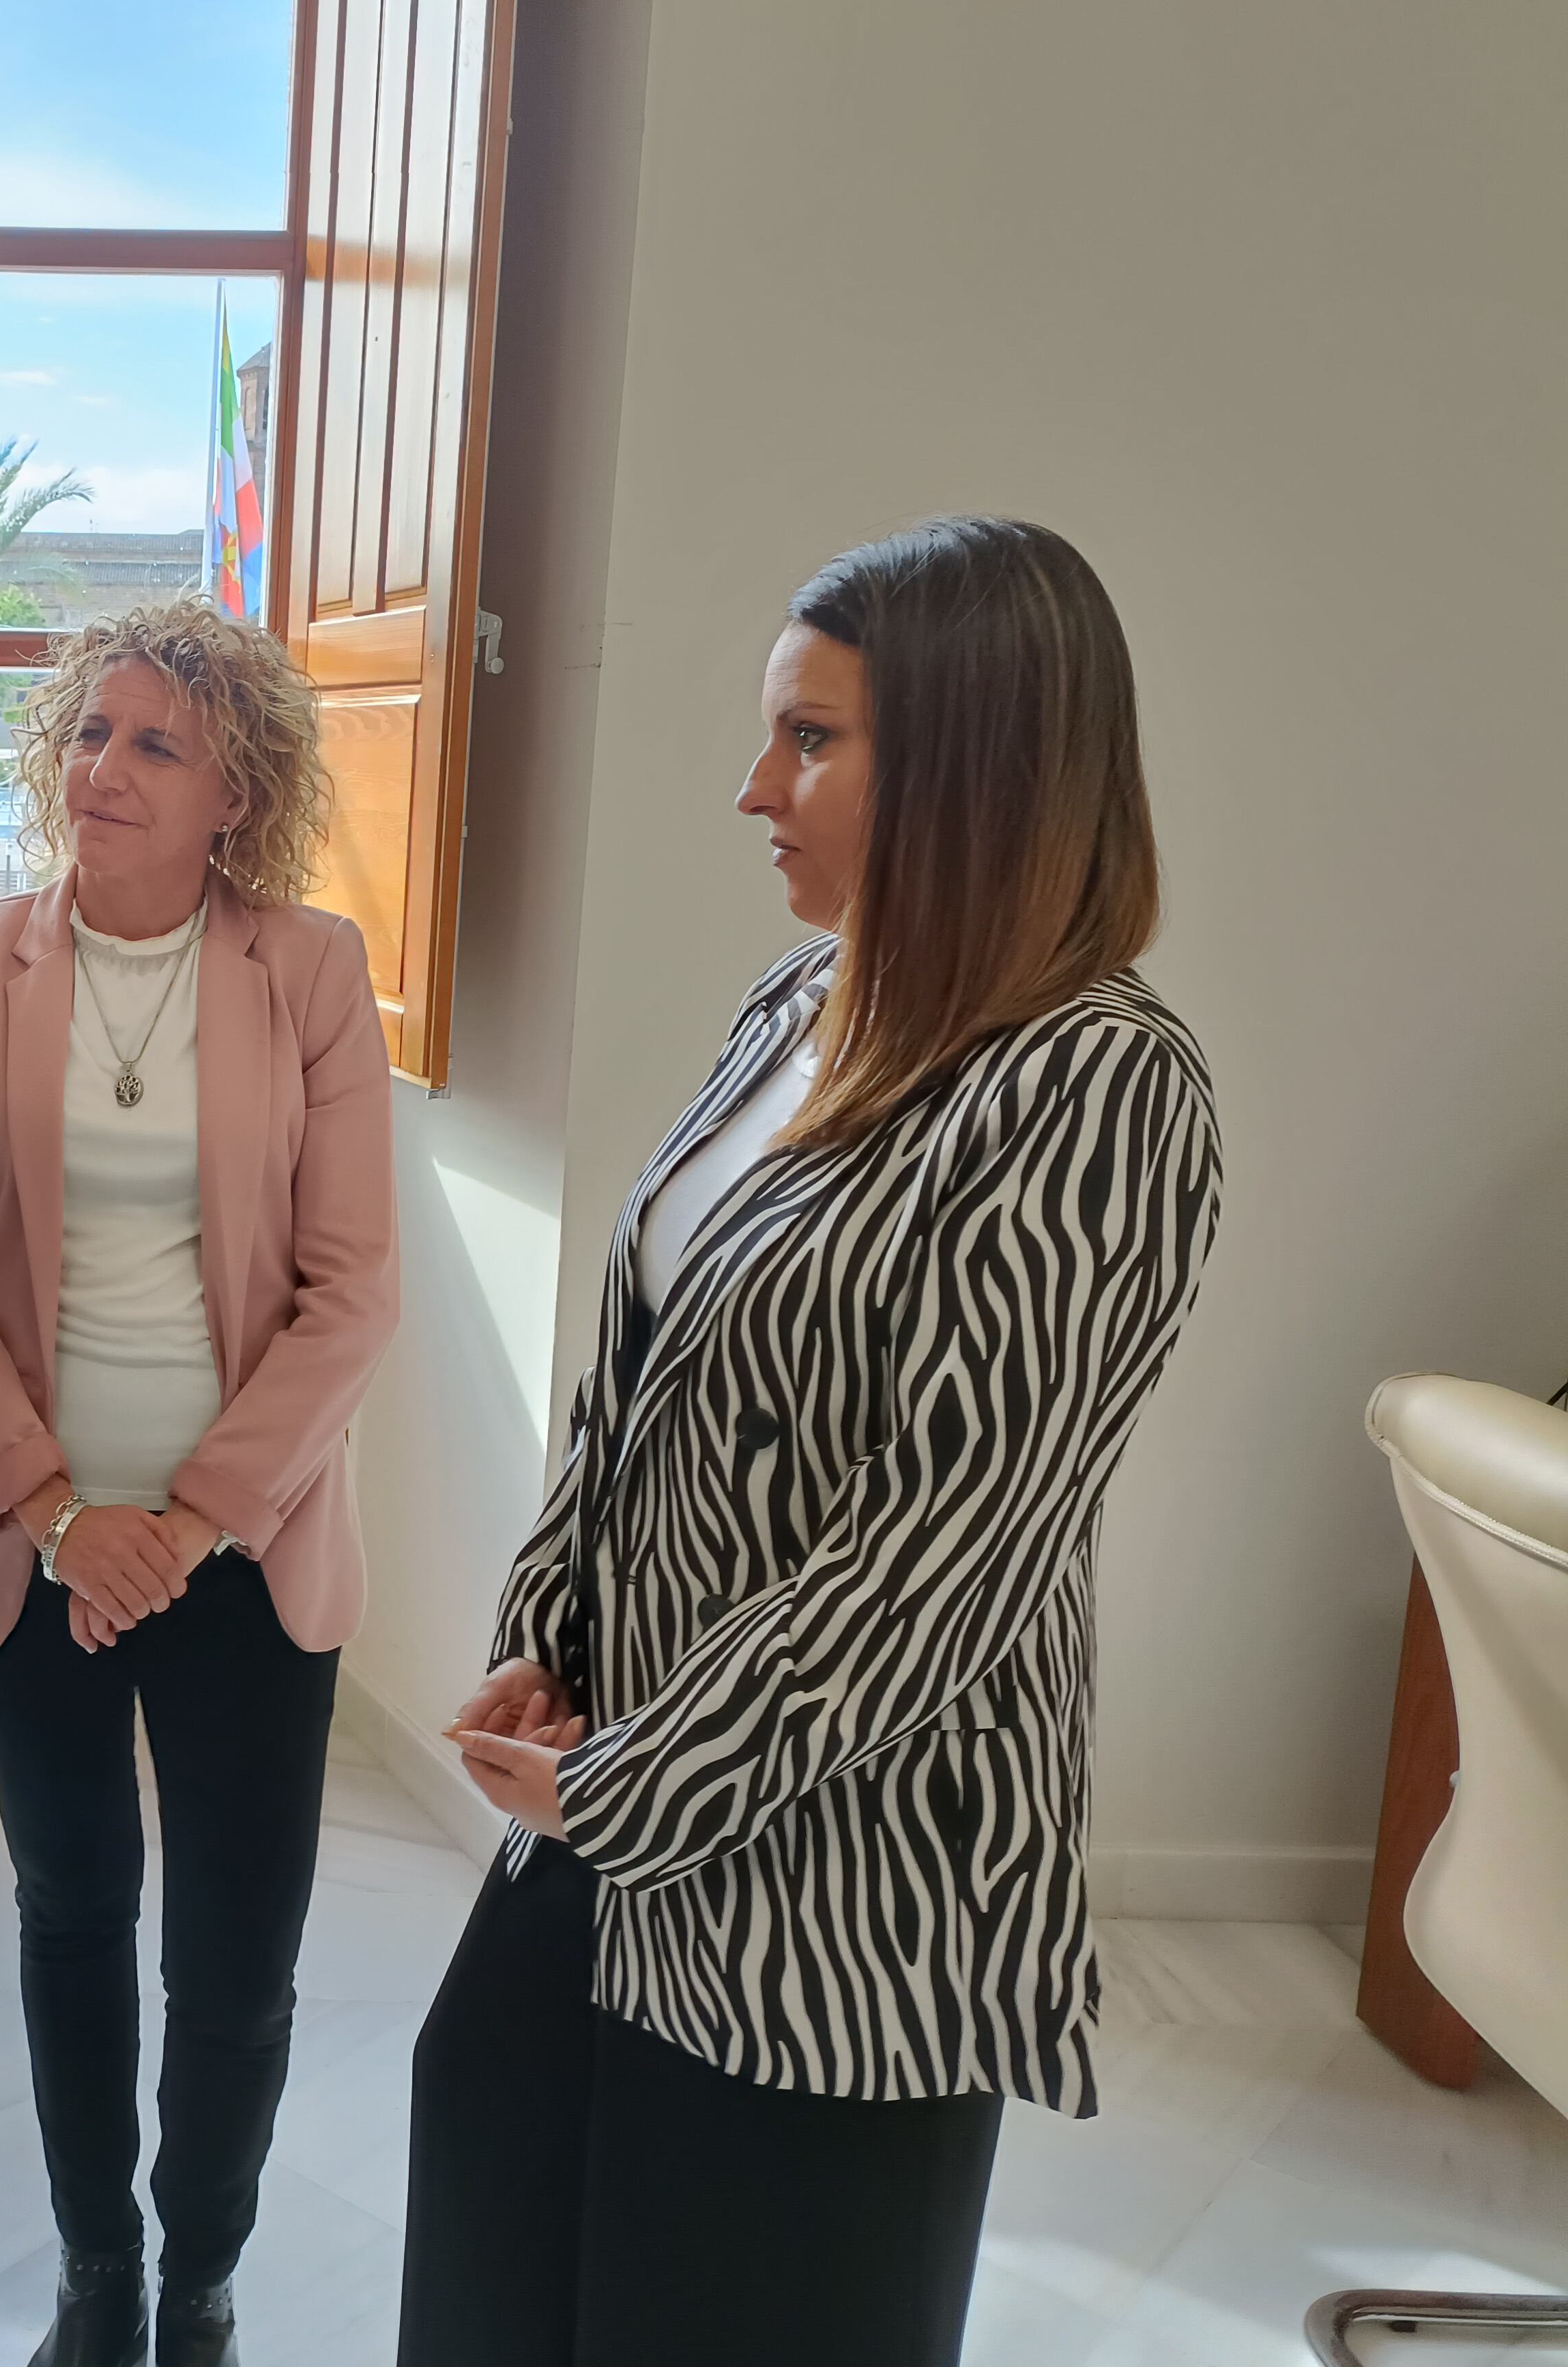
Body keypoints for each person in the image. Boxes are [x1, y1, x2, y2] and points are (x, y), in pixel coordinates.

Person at [396, 517, 1224, 2367]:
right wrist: (548, 1633)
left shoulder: (1094, 1087)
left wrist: (638, 1779)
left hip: (836, 1914)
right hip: (608, 1832)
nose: (754, 787)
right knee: (489, 2279)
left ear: (981, 771)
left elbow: (945, 1555)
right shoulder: (804, 997)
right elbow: (641, 1371)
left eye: (815, 742)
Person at [0, 599, 399, 2367]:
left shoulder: (311, 971)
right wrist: (59, 1514)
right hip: (36, 1554)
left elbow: (352, 1292)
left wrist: (182, 1526)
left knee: (238, 1954)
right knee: (73, 1910)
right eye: (92, 734)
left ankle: (205, 2283)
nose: (104, 769)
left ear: (234, 792)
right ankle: (99, 2276)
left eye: (156, 744)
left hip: (241, 1557)